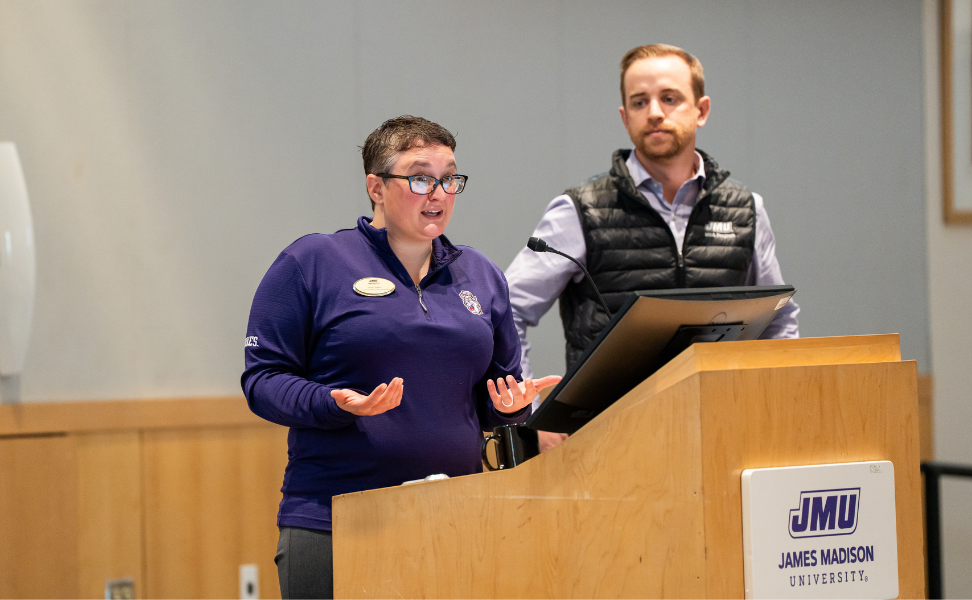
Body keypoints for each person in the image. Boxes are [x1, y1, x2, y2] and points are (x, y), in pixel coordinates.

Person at [242, 115, 560, 599]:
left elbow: (495, 396)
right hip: (336, 520)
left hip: (458, 516)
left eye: (449, 178)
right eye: (420, 177)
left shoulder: (481, 275)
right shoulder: (313, 263)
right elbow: (262, 380)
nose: (439, 193)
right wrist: (333, 402)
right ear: (376, 186)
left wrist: (513, 408)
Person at [505, 44, 800, 452]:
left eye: (670, 98)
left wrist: (775, 408)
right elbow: (506, 310)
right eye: (639, 102)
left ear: (702, 109)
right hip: (609, 442)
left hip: (722, 434)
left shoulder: (746, 210)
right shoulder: (580, 209)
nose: (655, 112)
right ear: (626, 118)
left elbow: (779, 322)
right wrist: (531, 412)